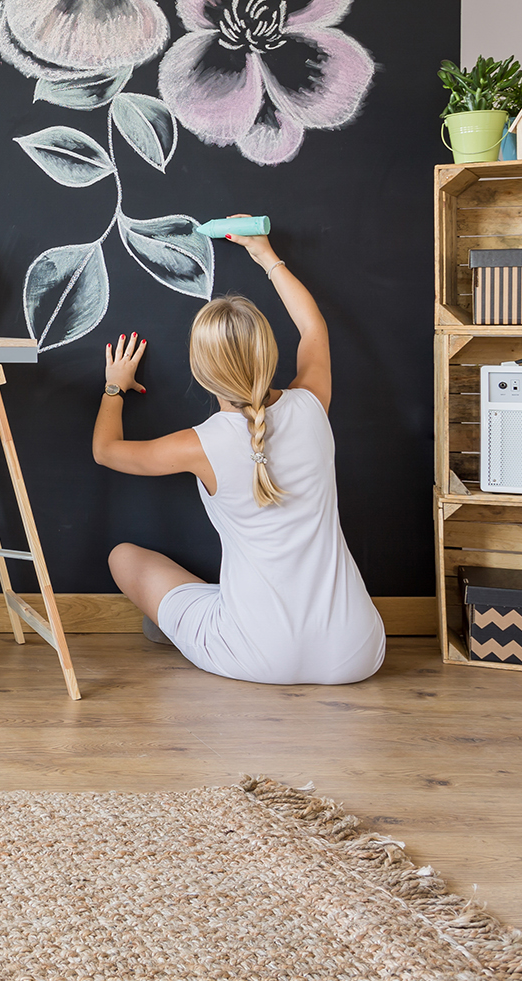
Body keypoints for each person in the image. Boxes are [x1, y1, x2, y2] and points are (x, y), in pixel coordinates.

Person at [90, 220, 384, 686]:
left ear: (200, 372)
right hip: (355, 652)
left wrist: (114, 387)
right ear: (269, 354)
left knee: (123, 557)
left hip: (255, 655)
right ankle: (203, 612)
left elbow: (106, 451)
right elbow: (312, 327)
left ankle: (193, 621)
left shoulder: (197, 445)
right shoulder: (312, 406)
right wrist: (266, 256)